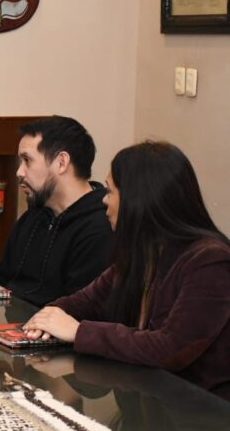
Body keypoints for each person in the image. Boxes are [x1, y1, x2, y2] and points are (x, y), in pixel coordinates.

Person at [23, 141, 230, 400]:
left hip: (201, 414)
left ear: (138, 199)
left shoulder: (210, 261)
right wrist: (48, 318)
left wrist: (78, 331)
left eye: (110, 191)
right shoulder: (144, 253)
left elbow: (170, 349)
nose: (104, 201)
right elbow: (87, 301)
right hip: (149, 401)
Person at [0, 116, 113, 306]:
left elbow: (79, 310)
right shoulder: (32, 217)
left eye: (27, 160)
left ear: (61, 162)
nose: (19, 172)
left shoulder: (101, 227)